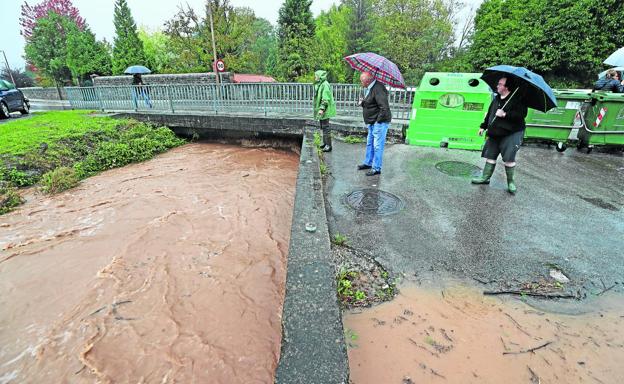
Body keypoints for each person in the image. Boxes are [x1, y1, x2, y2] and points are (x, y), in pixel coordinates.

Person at [471, 76, 527, 194]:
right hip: (495, 132)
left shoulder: (517, 99)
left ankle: (510, 182)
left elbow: (521, 115)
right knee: (490, 156)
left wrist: (505, 114)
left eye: (500, 84)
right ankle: (485, 178)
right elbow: (490, 113)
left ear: (507, 87)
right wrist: (483, 126)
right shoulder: (496, 98)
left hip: (511, 133)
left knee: (509, 159)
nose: (497, 86)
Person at [356, 71, 392, 176]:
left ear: (367, 81)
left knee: (377, 146)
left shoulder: (378, 88)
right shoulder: (371, 88)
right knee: (370, 143)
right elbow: (371, 103)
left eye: (361, 81)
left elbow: (384, 108)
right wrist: (362, 103)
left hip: (379, 122)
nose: (361, 83)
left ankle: (376, 168)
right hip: (372, 122)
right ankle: (368, 163)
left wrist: (377, 121)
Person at [313, 70, 336, 152]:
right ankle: (325, 144)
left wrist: (322, 108)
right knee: (323, 127)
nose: (315, 77)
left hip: (325, 110)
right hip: (323, 110)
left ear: (319, 76)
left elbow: (325, 98)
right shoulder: (321, 84)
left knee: (326, 127)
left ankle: (328, 146)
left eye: (316, 76)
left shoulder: (325, 84)